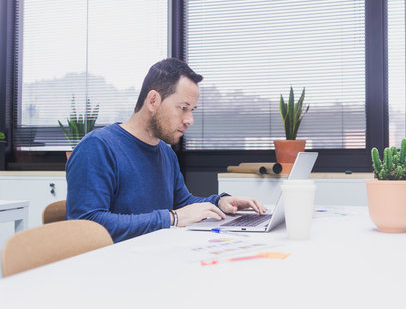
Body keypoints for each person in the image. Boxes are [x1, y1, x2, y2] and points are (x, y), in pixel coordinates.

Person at [66, 58, 266, 242]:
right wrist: (172, 218)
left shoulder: (165, 152)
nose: (190, 120)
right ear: (153, 100)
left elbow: (183, 202)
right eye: (183, 108)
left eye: (192, 110)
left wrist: (220, 202)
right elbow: (87, 225)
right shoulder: (97, 147)